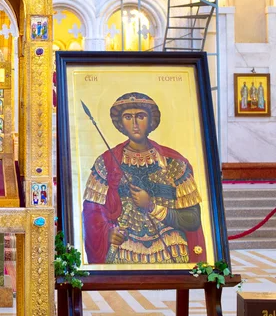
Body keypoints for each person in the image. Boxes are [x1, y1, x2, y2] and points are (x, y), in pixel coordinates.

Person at [82, 92, 206, 265]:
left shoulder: (173, 163)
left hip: (171, 247)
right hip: (124, 247)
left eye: (140, 116)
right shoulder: (106, 162)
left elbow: (192, 219)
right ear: (120, 123)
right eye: (127, 117)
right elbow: (92, 212)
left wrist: (151, 206)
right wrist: (109, 232)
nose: (134, 124)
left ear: (151, 120)